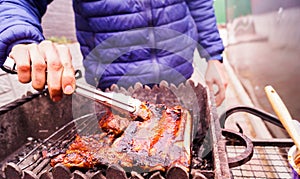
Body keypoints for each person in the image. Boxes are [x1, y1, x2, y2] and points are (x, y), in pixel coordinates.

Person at [0, 0, 227, 106]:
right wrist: (20, 38)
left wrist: (214, 55)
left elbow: (199, 2)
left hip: (180, 78)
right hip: (116, 91)